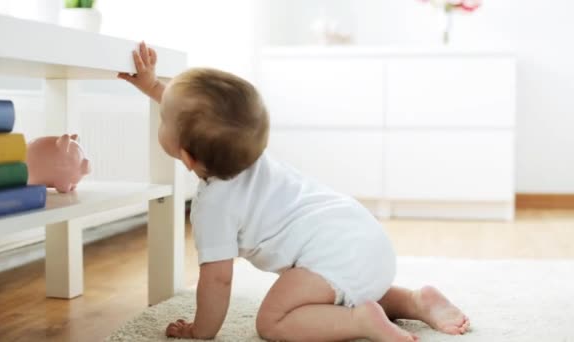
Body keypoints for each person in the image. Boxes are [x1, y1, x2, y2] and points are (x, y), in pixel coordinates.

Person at [119, 42, 470, 341]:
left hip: (332, 257)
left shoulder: (213, 206)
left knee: (272, 321)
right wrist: (152, 86)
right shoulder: (246, 151)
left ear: (186, 156)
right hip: (361, 235)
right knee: (344, 287)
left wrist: (202, 331)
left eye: (163, 118)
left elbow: (218, 280)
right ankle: (413, 301)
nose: (162, 117)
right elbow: (197, 117)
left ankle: (360, 321)